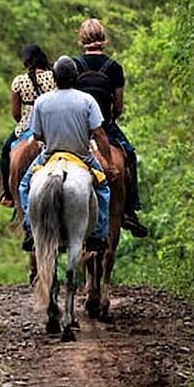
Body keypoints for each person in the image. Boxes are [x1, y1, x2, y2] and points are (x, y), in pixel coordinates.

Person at [17, 55, 117, 253]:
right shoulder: (87, 100)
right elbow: (99, 133)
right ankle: (98, 233)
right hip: (82, 156)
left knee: (24, 185)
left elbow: (37, 134)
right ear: (76, 77)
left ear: (54, 77)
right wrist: (109, 163)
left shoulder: (42, 102)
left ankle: (29, 227)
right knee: (104, 187)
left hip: (50, 156)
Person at [72, 18, 149, 238]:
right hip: (105, 127)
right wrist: (109, 118)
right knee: (130, 156)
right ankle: (129, 211)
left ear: (82, 39)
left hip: (80, 130)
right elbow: (119, 106)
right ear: (103, 39)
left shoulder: (75, 65)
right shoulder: (114, 67)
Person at [0, 44, 56, 207]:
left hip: (27, 126)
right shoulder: (53, 77)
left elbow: (16, 113)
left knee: (5, 151)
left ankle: (8, 194)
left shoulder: (19, 82)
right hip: (51, 127)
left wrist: (24, 121)